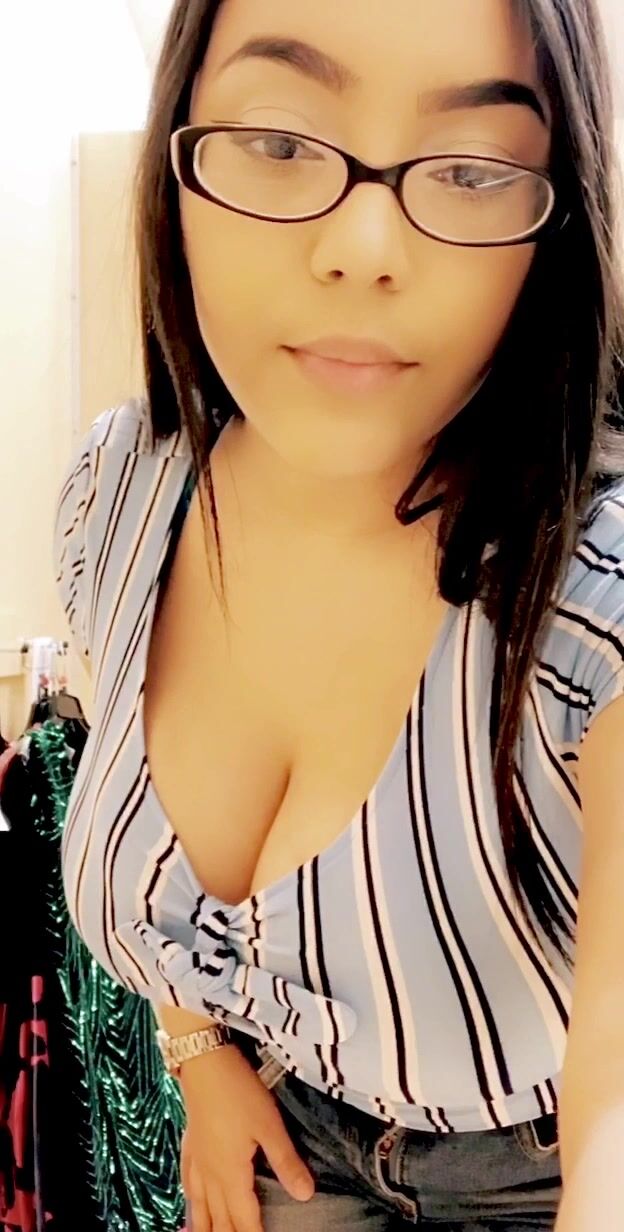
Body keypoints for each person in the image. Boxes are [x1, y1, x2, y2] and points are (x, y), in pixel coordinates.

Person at [53, 0, 624, 1228]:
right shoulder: (124, 489)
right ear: (179, 150)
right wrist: (199, 1050)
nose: (365, 249)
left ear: (557, 219)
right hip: (293, 1137)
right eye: (278, 140)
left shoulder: (595, 584)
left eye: (472, 168)